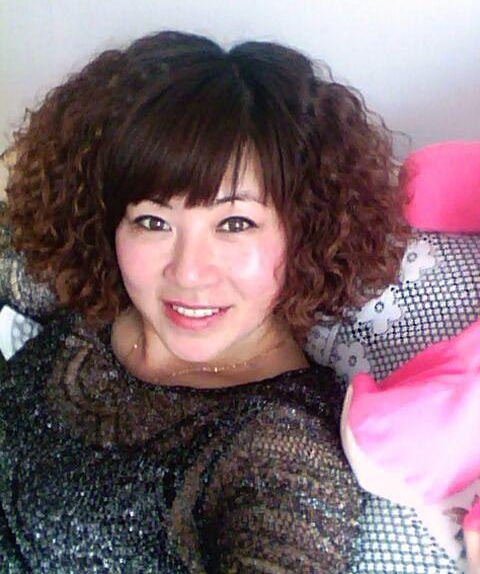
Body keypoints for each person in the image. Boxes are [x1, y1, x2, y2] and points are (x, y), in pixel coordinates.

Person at [0, 31, 411, 572]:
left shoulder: (282, 450)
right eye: (153, 221)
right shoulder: (95, 294)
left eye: (235, 223)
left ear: (306, 230)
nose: (188, 272)